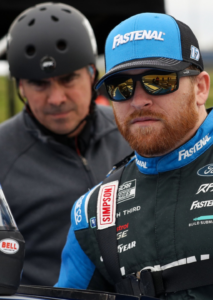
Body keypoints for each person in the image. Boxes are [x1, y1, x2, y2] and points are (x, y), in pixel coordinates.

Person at [56, 13, 213, 300]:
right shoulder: (93, 212)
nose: (138, 99)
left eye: (159, 81)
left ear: (200, 88)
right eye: (121, 87)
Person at [0, 2, 131, 286]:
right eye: (39, 83)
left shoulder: (133, 132)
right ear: (20, 86)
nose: (56, 97)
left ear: (92, 74)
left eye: (68, 78)